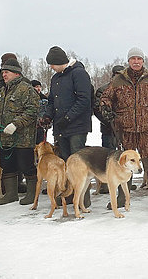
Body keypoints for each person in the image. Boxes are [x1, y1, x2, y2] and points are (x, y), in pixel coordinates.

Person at [100, 48, 148, 210]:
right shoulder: (118, 80)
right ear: (128, 61)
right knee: (124, 164)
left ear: (143, 61)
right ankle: (122, 198)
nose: (136, 61)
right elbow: (105, 97)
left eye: (139, 59)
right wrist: (106, 108)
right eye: (133, 59)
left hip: (147, 129)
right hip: (125, 129)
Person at [42, 46, 93, 207]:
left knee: (77, 161)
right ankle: (69, 194)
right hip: (60, 126)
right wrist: (48, 115)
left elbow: (84, 100)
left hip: (77, 126)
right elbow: (51, 100)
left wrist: (68, 117)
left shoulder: (78, 74)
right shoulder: (55, 78)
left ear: (59, 62)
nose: (51, 67)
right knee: (64, 161)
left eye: (52, 64)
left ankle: (83, 197)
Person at [0, 58, 40, 205]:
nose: (4, 75)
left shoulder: (26, 89)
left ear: (16, 73)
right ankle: (11, 194)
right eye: (3, 72)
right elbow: (0, 107)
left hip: (23, 138)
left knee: (26, 166)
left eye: (7, 72)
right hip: (5, 137)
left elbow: (32, 111)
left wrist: (16, 124)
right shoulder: (4, 89)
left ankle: (32, 194)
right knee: (7, 165)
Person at [94, 65, 124, 151]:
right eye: (117, 75)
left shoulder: (128, 91)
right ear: (113, 76)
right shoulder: (103, 90)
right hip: (108, 129)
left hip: (124, 129)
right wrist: (109, 121)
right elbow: (97, 109)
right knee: (108, 154)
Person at [31, 80, 48, 144]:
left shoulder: (44, 98)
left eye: (39, 87)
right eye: (36, 87)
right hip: (31, 127)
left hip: (41, 127)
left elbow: (47, 111)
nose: (38, 89)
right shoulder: (28, 98)